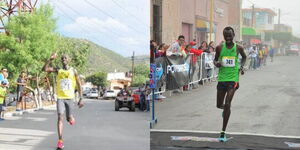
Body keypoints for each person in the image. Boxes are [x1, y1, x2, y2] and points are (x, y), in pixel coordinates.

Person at [43, 53, 84, 150]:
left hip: (70, 98)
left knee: (68, 118)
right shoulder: (58, 70)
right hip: (60, 97)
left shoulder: (73, 71)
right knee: (60, 117)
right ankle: (60, 141)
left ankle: (70, 117)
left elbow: (78, 85)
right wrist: (50, 59)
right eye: (62, 58)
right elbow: (44, 69)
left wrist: (81, 98)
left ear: (69, 60)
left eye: (65, 58)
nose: (63, 59)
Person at [214, 27, 246, 142]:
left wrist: (241, 66)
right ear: (223, 35)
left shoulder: (238, 47)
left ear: (233, 35)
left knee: (227, 103)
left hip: (233, 79)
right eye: (226, 35)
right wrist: (216, 63)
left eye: (230, 35)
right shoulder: (219, 47)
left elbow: (244, 57)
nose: (228, 37)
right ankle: (225, 110)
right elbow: (215, 59)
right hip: (222, 78)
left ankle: (223, 132)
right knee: (219, 105)